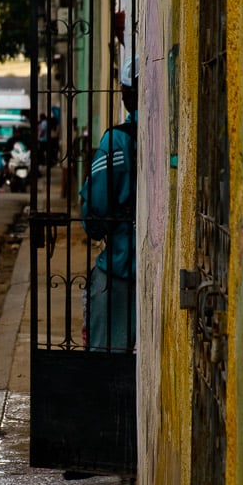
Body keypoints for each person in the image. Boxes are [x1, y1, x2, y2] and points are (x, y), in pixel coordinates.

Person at [80, 58, 139, 351]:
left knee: (106, 359)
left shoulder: (116, 140)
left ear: (127, 95)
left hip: (121, 265)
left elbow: (95, 213)